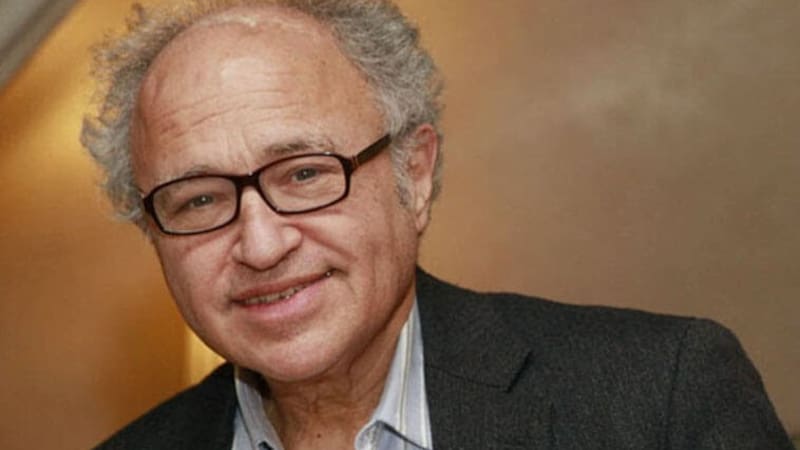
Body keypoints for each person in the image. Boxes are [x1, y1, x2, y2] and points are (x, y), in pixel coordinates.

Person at [82, 1, 793, 449]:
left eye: (304, 174)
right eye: (199, 200)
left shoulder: (660, 399)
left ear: (414, 174)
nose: (262, 245)